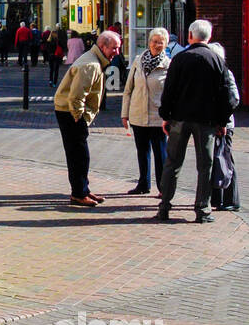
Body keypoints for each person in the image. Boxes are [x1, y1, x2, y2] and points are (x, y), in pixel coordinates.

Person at [155, 19, 240, 224]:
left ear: (190, 36)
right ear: (208, 37)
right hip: (207, 121)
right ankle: (202, 209)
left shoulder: (179, 59)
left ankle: (164, 207)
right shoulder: (217, 61)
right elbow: (227, 96)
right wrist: (221, 122)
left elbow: (169, 91)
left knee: (172, 163)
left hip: (180, 118)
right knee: (205, 166)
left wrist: (166, 116)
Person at [53, 30, 122, 208]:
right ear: (102, 46)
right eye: (114, 48)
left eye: (118, 48)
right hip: (70, 113)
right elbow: (76, 97)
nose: (117, 52)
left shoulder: (94, 60)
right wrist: (79, 118)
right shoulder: (91, 64)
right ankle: (78, 193)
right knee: (79, 155)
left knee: (80, 154)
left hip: (71, 112)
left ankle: (83, 189)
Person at [120, 27, 169, 196]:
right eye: (154, 42)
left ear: (165, 45)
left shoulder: (168, 65)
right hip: (138, 115)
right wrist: (124, 113)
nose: (157, 45)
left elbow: (171, 94)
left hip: (158, 117)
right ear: (149, 43)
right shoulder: (138, 60)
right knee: (142, 151)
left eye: (160, 42)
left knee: (160, 153)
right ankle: (143, 184)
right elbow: (128, 89)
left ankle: (163, 187)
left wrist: (169, 116)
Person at [209, 42, 240, 211]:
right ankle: (216, 199)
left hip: (225, 125)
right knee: (215, 160)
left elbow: (234, 99)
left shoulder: (226, 74)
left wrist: (223, 120)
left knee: (226, 160)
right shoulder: (210, 74)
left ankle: (231, 200)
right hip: (212, 124)